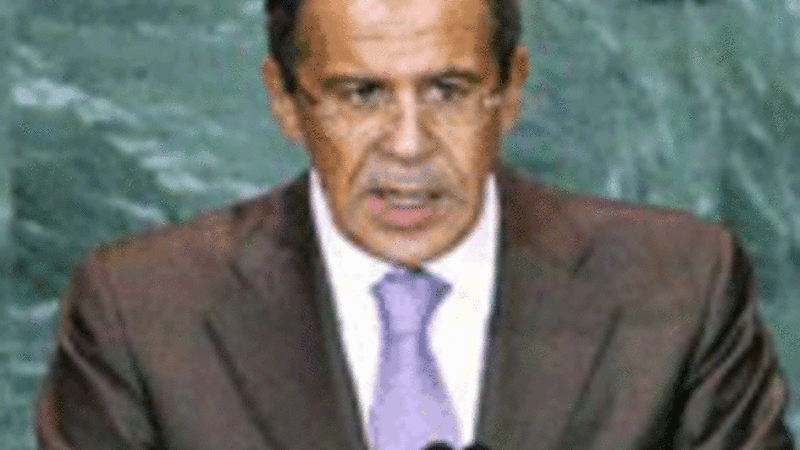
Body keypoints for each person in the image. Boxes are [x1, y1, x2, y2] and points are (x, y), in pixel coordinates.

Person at [34, 0, 795, 448]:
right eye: (362, 95)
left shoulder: (680, 287)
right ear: (286, 101)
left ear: (511, 90)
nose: (408, 144)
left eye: (448, 91)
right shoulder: (140, 312)